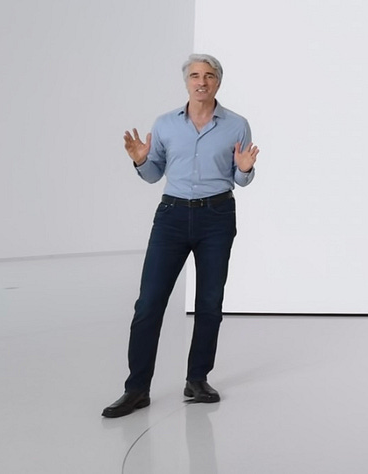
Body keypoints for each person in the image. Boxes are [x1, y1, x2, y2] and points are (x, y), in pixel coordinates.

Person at [102, 54, 259, 419]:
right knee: (149, 304)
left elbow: (241, 178)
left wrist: (247, 170)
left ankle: (197, 379)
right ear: (186, 82)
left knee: (209, 304)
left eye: (208, 76)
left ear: (218, 82)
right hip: (172, 216)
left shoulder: (237, 125)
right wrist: (141, 159)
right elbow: (153, 174)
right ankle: (137, 388)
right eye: (194, 76)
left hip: (217, 217)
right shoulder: (165, 124)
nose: (201, 82)